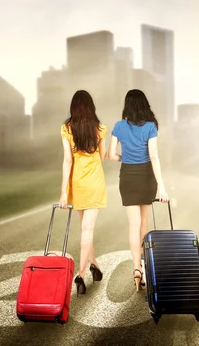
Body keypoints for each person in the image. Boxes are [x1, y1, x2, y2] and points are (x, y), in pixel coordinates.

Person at [108, 89, 169, 292]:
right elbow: (154, 157)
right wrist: (161, 185)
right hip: (146, 177)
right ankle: (144, 265)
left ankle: (136, 268)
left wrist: (124, 158)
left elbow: (111, 155)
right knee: (143, 222)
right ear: (144, 105)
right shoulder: (151, 127)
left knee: (132, 224)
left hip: (127, 177)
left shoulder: (118, 126)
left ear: (127, 105)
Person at [58, 90, 107, 296]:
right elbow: (103, 157)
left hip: (76, 183)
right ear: (90, 106)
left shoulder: (67, 128)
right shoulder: (100, 129)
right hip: (95, 182)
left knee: (85, 229)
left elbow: (68, 160)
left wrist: (63, 192)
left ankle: (94, 266)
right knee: (88, 230)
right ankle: (81, 274)